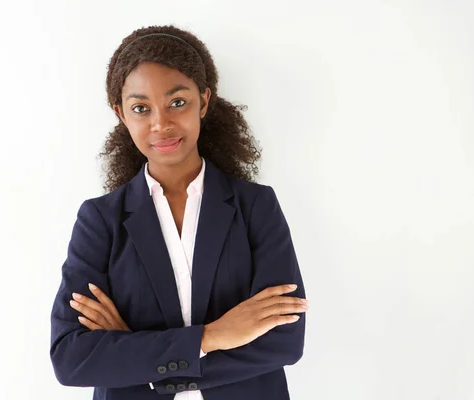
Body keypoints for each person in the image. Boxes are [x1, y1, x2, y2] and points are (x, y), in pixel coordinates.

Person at [50, 24, 308, 400]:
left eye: (177, 102)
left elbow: (284, 340)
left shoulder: (255, 206)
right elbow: (71, 358)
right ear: (121, 113)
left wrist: (138, 357)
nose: (161, 124)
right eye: (141, 108)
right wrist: (212, 336)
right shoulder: (100, 221)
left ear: (203, 102)